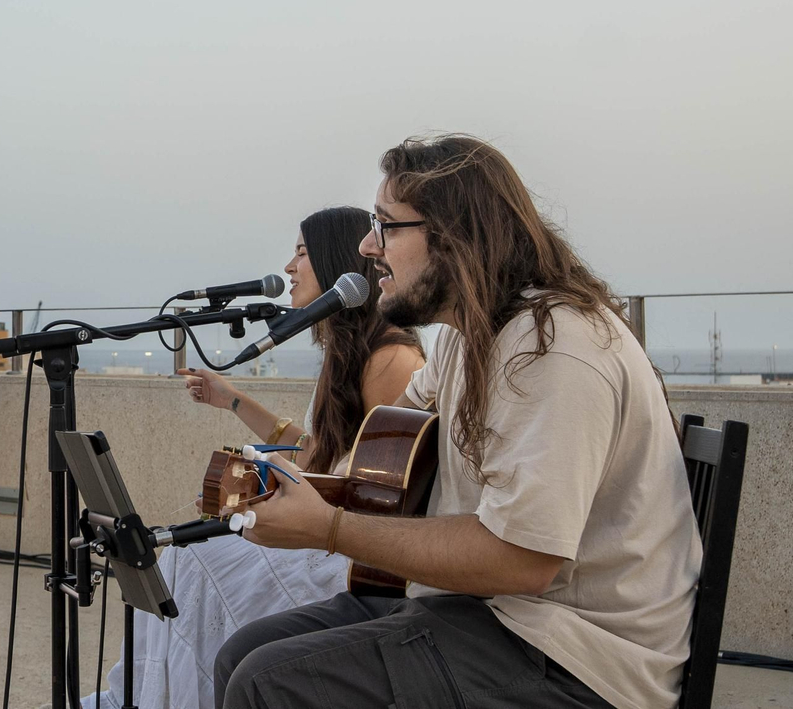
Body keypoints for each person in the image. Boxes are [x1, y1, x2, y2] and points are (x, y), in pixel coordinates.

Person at [214, 135, 700, 709]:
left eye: (385, 225)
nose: (367, 247)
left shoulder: (553, 348)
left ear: (455, 237)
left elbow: (523, 559)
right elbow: (387, 438)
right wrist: (298, 487)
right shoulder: (463, 336)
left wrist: (329, 528)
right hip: (488, 615)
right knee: (240, 654)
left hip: (575, 658)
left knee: (267, 681)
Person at [83, 206, 423, 709]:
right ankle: (144, 694)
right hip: (329, 531)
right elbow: (322, 453)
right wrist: (233, 401)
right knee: (185, 548)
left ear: (335, 262)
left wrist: (269, 494)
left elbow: (380, 491)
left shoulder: (391, 360)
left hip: (351, 555)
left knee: (194, 556)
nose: (289, 267)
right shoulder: (351, 355)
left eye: (302, 253)